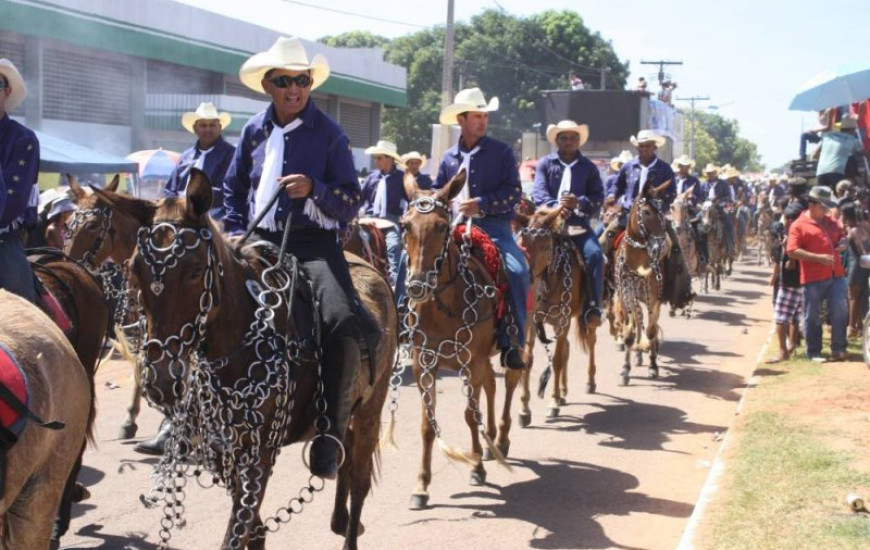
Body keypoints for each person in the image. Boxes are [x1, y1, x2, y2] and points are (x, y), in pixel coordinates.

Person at [222, 36, 378, 478]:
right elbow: (232, 190)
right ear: (269, 85)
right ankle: (191, 421)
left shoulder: (331, 134)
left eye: (303, 80)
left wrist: (315, 190)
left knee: (342, 319)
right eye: (286, 80)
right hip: (256, 242)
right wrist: (235, 233)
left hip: (313, 245)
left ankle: (330, 430)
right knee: (204, 298)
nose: (295, 88)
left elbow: (350, 203)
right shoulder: (253, 129)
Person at [435, 87, 528, 369]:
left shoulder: (501, 152)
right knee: (413, 259)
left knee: (517, 271)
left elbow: (514, 192)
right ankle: (407, 321)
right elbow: (440, 191)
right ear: (461, 119)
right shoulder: (448, 157)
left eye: (484, 116)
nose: (482, 121)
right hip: (454, 227)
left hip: (494, 227)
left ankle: (513, 340)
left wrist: (482, 204)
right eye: (477, 115)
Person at [532, 120, 605, 325]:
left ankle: (593, 306)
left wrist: (578, 203)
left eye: (573, 138)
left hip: (578, 226)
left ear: (579, 141)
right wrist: (556, 208)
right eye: (564, 138)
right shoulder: (545, 163)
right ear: (557, 141)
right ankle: (520, 302)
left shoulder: (589, 168)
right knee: (524, 251)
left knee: (595, 255)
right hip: (547, 225)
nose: (569, 142)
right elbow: (538, 192)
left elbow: (598, 197)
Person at [786, 186, 848, 362]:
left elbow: (840, 237)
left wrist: (843, 243)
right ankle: (814, 351)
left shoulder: (830, 221)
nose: (825, 211)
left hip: (836, 273)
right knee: (812, 314)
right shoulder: (798, 225)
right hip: (813, 277)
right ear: (812, 205)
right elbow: (792, 251)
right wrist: (818, 258)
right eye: (822, 207)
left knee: (839, 310)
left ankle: (839, 348)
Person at [0, 58, 39, 303]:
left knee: (22, 304)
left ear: (7, 91)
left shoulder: (23, 139)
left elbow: (10, 204)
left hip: (3, 240)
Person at [163, 102, 235, 219]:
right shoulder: (185, 157)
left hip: (215, 216)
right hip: (180, 215)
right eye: (203, 125)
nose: (208, 129)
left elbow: (226, 190)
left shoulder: (230, 154)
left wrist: (193, 201)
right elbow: (170, 189)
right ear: (195, 129)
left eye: (212, 125)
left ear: (220, 128)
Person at [359, 139, 406, 285]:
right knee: (355, 238)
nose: (376, 161)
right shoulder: (372, 177)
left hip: (390, 219)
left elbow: (410, 200)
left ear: (390, 159)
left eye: (379, 158)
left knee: (393, 244)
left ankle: (395, 281)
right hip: (369, 218)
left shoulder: (401, 178)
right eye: (375, 158)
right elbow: (360, 198)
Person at [766, 204, 803, 363]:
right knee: (795, 317)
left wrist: (790, 260)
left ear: (789, 220)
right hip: (802, 281)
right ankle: (792, 346)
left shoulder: (791, 235)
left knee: (780, 318)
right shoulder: (803, 231)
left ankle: (782, 351)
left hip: (789, 281)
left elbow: (790, 261)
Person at [841, 201, 870, 338]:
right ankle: (858, 326)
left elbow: (860, 249)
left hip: (856, 266)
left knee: (852, 298)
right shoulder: (866, 226)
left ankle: (851, 328)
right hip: (866, 266)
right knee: (861, 297)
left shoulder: (852, 231)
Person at [815, 117, 863, 189]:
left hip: (821, 172)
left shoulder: (827, 136)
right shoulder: (852, 140)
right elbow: (864, 153)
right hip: (837, 171)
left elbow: (814, 154)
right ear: (851, 129)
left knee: (823, 197)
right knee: (841, 194)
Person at [705, 163, 737, 258]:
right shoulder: (704, 185)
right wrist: (705, 202)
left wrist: (720, 201)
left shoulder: (723, 184)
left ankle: (731, 247)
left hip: (722, 208)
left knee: (729, 224)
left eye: (712, 172)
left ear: (715, 173)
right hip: (706, 210)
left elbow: (728, 197)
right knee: (698, 226)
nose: (710, 174)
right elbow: (700, 197)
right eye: (709, 173)